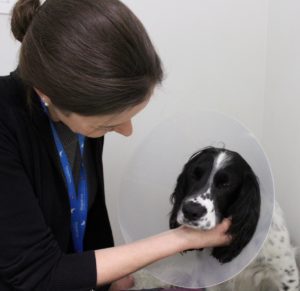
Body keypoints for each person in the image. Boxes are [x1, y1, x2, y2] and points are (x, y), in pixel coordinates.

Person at [0, 0, 232, 290]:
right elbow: (38, 274)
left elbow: (87, 212)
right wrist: (181, 238)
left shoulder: (77, 116)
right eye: (109, 124)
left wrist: (109, 280)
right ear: (48, 95)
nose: (126, 131)